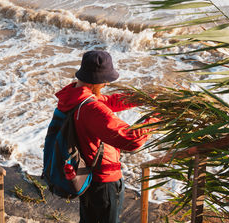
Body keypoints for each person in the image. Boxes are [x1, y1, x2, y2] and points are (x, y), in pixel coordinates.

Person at [54, 50, 158, 223]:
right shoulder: (91, 109)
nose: (107, 84)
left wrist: (141, 98)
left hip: (85, 175)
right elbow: (131, 140)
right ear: (97, 81)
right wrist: (155, 119)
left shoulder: (73, 97)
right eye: (105, 81)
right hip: (103, 183)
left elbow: (108, 101)